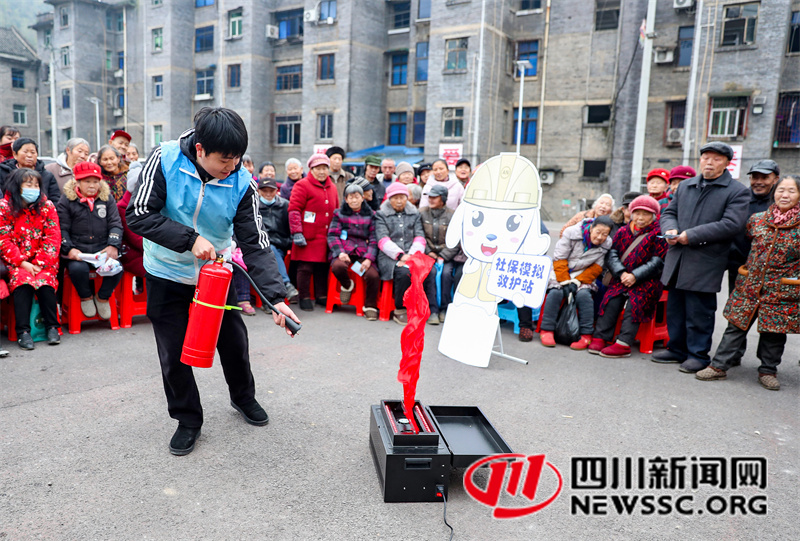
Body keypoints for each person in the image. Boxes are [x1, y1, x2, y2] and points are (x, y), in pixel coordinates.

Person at [127, 106, 300, 456]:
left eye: (237, 158)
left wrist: (276, 298)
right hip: (166, 270)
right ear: (201, 149)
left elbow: (255, 243)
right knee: (173, 352)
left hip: (215, 274)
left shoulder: (242, 182)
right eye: (224, 159)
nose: (231, 167)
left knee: (234, 342)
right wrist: (189, 239)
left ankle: (243, 398)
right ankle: (188, 419)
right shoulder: (165, 159)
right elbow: (139, 214)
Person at [696, 176, 800, 391]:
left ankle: (768, 371)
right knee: (735, 326)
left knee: (774, 332)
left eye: (791, 191)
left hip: (781, 289)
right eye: (781, 190)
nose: (785, 195)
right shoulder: (757, 220)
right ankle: (718, 366)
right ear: (774, 192)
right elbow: (742, 246)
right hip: (750, 284)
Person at [654, 142, 750, 374]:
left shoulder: (737, 191)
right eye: (706, 157)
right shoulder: (686, 186)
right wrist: (670, 229)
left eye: (716, 159)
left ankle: (698, 355)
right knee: (675, 308)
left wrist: (691, 236)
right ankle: (677, 349)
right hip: (677, 256)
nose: (709, 162)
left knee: (699, 311)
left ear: (727, 163)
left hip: (705, 259)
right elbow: (669, 212)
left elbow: (731, 224)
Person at [588, 196, 668, 357]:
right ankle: (601, 336)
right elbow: (612, 254)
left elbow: (658, 261)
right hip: (622, 276)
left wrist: (635, 276)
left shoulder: (659, 233)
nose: (640, 218)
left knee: (635, 301)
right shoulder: (623, 231)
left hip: (647, 280)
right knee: (611, 298)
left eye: (645, 214)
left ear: (653, 215)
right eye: (637, 213)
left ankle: (624, 343)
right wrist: (622, 273)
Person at [0, 169, 61, 349]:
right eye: (28, 185)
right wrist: (22, 262)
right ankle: (23, 332)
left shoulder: (47, 206)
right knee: (22, 282)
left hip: (44, 261)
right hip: (16, 262)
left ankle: (52, 327)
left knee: (45, 282)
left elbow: (53, 237)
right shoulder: (4, 207)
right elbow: (3, 239)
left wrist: (40, 263)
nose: (33, 189)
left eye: (36, 185)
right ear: (17, 186)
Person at [56, 162, 123, 320]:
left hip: (102, 249)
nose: (92, 185)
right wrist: (69, 249)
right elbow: (62, 228)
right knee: (78, 270)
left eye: (95, 181)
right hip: (78, 251)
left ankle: (102, 297)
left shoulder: (107, 199)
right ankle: (85, 297)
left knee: (117, 268)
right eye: (87, 181)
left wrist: (112, 245)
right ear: (77, 182)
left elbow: (115, 224)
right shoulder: (66, 200)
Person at [537, 215, 613, 349]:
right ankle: (547, 330)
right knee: (556, 292)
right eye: (598, 232)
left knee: (584, 296)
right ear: (591, 228)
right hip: (562, 270)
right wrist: (566, 282)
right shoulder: (571, 233)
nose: (600, 237)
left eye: (605, 234)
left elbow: (596, 267)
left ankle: (586, 335)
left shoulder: (607, 244)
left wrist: (577, 281)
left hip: (583, 274)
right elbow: (559, 259)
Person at [375, 182, 433, 325]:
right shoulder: (381, 214)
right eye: (395, 198)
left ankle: (424, 307)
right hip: (390, 257)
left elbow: (419, 237)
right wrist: (400, 256)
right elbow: (382, 240)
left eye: (402, 197)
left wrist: (411, 256)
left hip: (412, 254)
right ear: (389, 199)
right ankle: (400, 309)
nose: (399, 201)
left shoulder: (414, 213)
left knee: (429, 271)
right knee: (404, 272)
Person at [288, 152, 338, 311]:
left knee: (322, 268)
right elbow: (294, 210)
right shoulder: (302, 185)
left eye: (324, 168)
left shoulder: (332, 187)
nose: (322, 171)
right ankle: (304, 296)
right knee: (305, 268)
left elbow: (336, 211)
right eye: (318, 168)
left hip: (325, 236)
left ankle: (321, 296)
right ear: (311, 169)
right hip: (307, 235)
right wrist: (297, 232)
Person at [726, 160, 780, 294]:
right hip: (739, 267)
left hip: (770, 270)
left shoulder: (780, 203)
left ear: (775, 179)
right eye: (755, 177)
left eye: (765, 178)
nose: (759, 182)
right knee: (738, 303)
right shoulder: (739, 199)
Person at [327, 183, 380, 320]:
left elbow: (374, 239)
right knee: (338, 266)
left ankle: (370, 306)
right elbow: (333, 235)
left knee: (373, 275)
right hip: (345, 250)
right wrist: (340, 252)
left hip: (363, 252)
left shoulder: (372, 215)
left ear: (362, 198)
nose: (354, 200)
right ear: (346, 199)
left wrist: (369, 259)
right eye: (350, 197)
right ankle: (347, 284)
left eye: (357, 197)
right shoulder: (339, 213)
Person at [419, 184, 457, 324]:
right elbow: (419, 235)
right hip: (428, 254)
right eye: (430, 197)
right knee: (431, 273)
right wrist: (429, 252)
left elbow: (456, 240)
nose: (431, 199)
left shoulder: (452, 215)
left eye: (435, 197)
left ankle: (444, 309)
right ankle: (432, 310)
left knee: (446, 274)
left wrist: (444, 256)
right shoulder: (422, 213)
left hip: (446, 255)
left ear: (443, 199)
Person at [256, 177, 298, 303]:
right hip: (262, 245)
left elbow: (291, 227)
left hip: (281, 243)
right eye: (265, 191)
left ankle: (269, 301)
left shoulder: (285, 204)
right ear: (259, 191)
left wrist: (289, 241)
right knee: (270, 251)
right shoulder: (254, 206)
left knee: (272, 253)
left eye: (271, 191)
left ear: (276, 191)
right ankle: (286, 284)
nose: (268, 194)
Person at [0, 138, 61, 203]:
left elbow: (55, 199)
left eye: (33, 152)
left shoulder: (47, 175)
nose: (29, 155)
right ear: (15, 154)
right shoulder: (3, 172)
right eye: (25, 152)